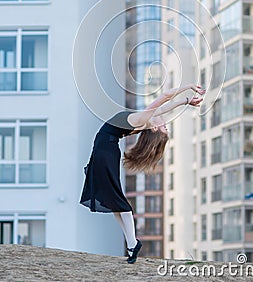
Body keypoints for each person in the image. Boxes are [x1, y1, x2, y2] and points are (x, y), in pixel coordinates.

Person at [80, 83, 205, 263]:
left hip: (105, 150)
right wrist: (187, 97)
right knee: (112, 199)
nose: (164, 122)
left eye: (164, 127)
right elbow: (166, 103)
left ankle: (132, 243)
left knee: (117, 199)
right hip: (104, 149)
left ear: (154, 129)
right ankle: (131, 244)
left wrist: (189, 90)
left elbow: (166, 97)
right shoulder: (144, 119)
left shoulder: (143, 120)